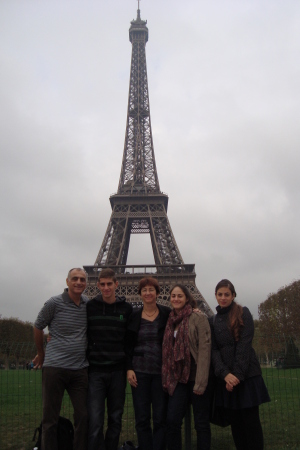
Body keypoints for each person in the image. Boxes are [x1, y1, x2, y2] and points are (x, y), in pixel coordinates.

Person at [210, 279, 270, 450]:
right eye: (220, 294)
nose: (223, 297)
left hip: (246, 377)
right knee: (236, 425)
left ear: (233, 295)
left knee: (251, 424)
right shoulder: (212, 320)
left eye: (226, 294)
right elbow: (214, 350)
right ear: (215, 296)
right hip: (227, 379)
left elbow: (244, 345)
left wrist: (235, 375)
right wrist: (225, 375)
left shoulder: (244, 313)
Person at [33, 267, 89, 450]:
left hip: (79, 369)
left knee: (83, 416)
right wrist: (41, 353)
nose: (78, 282)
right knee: (50, 418)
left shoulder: (89, 304)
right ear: (67, 281)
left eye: (82, 279)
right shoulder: (54, 303)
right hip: (55, 368)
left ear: (86, 282)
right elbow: (38, 325)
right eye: (75, 279)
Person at [87, 268, 133, 450]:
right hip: (96, 371)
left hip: (117, 372)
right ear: (98, 285)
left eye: (109, 284)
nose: (106, 288)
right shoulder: (89, 307)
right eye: (103, 284)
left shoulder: (127, 309)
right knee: (95, 420)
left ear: (116, 284)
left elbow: (130, 340)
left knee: (115, 418)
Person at [162, 284, 211, 450]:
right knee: (172, 421)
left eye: (180, 296)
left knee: (201, 423)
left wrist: (201, 382)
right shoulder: (170, 319)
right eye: (173, 296)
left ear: (187, 298)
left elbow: (205, 351)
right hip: (178, 379)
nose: (176, 299)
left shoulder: (198, 317)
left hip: (196, 377)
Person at [126, 277, 171, 450]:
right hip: (140, 372)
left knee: (160, 418)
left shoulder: (167, 313)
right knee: (142, 418)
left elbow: (185, 316)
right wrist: (129, 368)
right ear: (140, 294)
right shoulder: (133, 316)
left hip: (161, 372)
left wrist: (196, 311)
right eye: (144, 290)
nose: (148, 293)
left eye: (151, 290)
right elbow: (127, 344)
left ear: (158, 293)